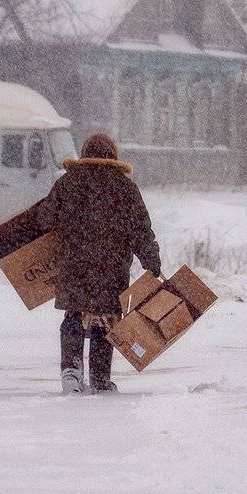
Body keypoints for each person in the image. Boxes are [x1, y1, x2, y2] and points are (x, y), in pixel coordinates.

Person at [32, 132, 161, 394]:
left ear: (85, 154)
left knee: (74, 316)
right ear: (113, 156)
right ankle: (100, 377)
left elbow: (43, 220)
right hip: (111, 269)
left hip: (74, 268)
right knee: (107, 320)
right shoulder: (125, 188)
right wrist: (152, 262)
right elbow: (141, 230)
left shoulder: (67, 184)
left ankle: (71, 371)